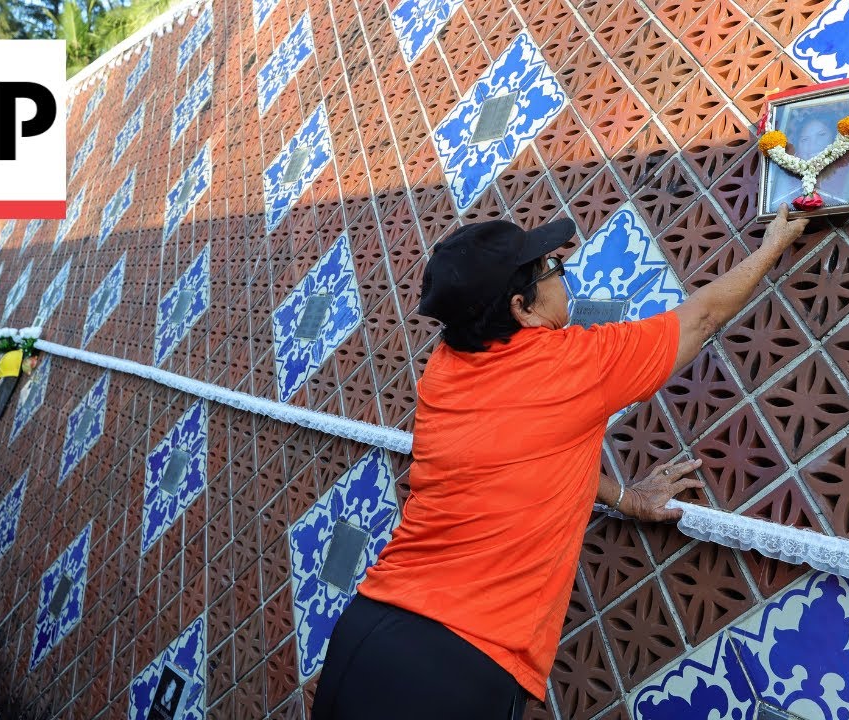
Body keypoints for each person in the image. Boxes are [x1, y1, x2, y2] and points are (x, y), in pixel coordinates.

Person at [310, 206, 808, 719]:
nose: (561, 270)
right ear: (523, 308)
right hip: (459, 664)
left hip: (366, 631)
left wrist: (626, 498)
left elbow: (533, 454)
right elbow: (700, 317)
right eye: (551, 268)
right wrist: (772, 245)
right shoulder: (574, 367)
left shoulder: (445, 367)